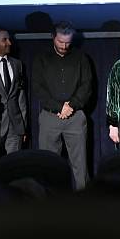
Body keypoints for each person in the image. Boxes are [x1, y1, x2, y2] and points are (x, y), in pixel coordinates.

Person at [32, 21, 92, 190]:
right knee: (48, 165)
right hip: (49, 117)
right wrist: (59, 108)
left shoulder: (81, 58)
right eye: (60, 42)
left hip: (76, 117)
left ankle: (85, 204)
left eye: (68, 42)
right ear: (53, 37)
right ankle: (51, 206)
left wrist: (71, 105)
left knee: (80, 166)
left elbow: (87, 86)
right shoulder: (41, 58)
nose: (64, 46)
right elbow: (38, 88)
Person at [0, 28, 28, 155]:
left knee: (13, 166)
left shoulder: (17, 64)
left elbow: (21, 96)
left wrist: (23, 127)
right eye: (5, 40)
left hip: (15, 126)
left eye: (9, 39)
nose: (9, 43)